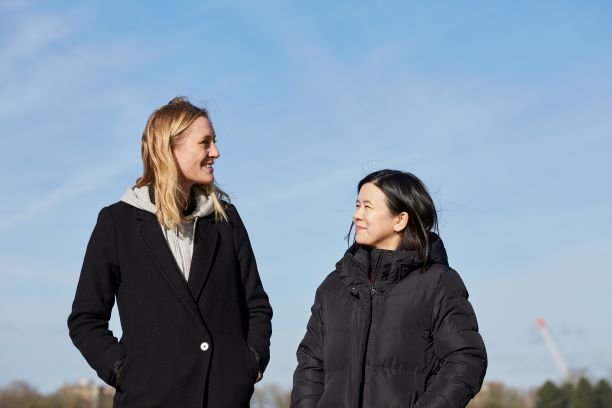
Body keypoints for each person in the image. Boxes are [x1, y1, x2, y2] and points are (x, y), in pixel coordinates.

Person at [68, 97, 272, 407]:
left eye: (214, 142)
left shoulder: (226, 220)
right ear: (170, 148)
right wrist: (125, 372)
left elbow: (255, 305)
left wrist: (249, 364)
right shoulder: (117, 223)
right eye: (205, 143)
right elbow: (86, 319)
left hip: (223, 398)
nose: (215, 152)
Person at [291, 169, 487, 408]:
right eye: (357, 205)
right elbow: (310, 364)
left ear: (400, 220)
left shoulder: (438, 283)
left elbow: (465, 359)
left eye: (367, 207)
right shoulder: (333, 287)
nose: (357, 216)